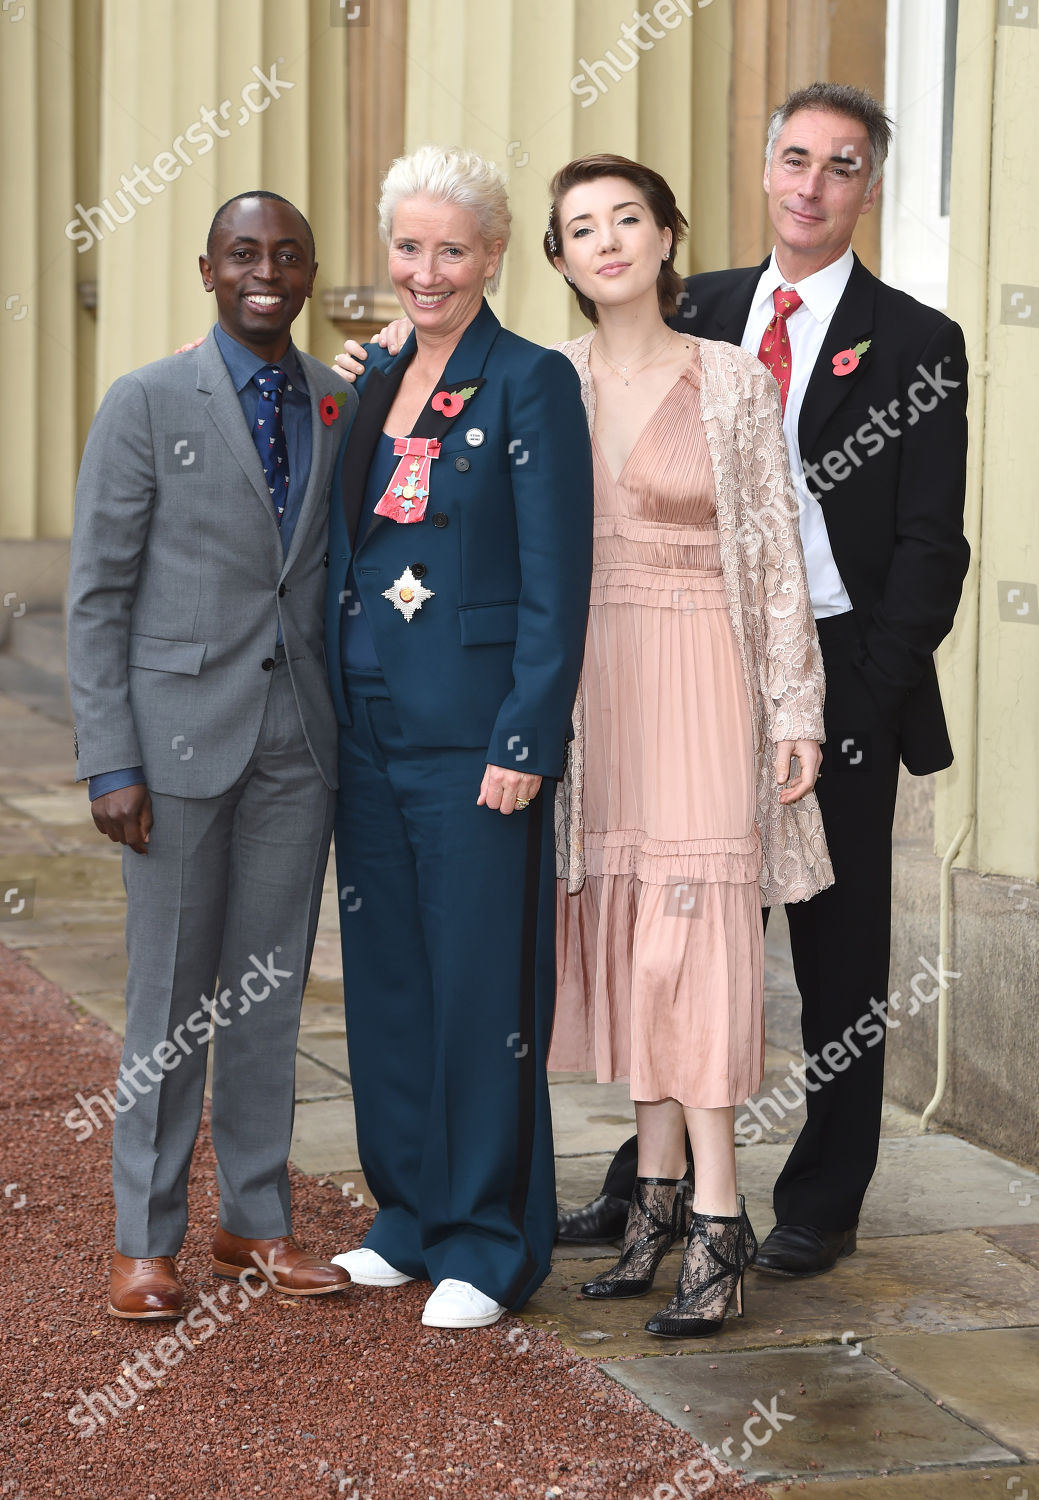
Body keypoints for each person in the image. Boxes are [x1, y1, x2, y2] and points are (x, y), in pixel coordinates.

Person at [559, 83, 971, 1279]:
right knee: (669, 930)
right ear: (763, 169)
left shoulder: (914, 343)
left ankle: (820, 1199)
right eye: (793, 158)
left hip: (838, 669)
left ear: (866, 188)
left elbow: (931, 547)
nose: (810, 184)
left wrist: (867, 697)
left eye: (840, 166)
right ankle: (656, 1187)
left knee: (835, 954)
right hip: (682, 658)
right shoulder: (705, 308)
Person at [542, 154, 828, 1338]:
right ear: (557, 259)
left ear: (667, 237)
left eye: (627, 219)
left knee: (691, 941)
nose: (607, 240)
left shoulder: (729, 382)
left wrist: (795, 710)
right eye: (580, 228)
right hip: (590, 685)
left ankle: (720, 1218)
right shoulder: (540, 381)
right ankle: (653, 1198)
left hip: (705, 671)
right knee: (628, 934)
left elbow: (771, 554)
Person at [67, 191, 355, 1319]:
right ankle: (146, 1241)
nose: (265, 272)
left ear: (312, 270)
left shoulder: (337, 400)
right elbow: (95, 594)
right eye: (244, 254)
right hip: (174, 749)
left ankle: (256, 1223)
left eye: (287, 253)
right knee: (170, 1000)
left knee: (269, 994)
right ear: (208, 271)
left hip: (298, 748)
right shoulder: (143, 401)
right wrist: (108, 759)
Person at [323, 146, 593, 1329]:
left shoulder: (529, 382)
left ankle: (488, 1240)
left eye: (450, 249)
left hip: (476, 737)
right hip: (365, 724)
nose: (424, 271)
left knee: (483, 989)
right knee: (388, 982)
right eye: (407, 247)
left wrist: (527, 737)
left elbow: (557, 577)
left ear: (491, 257)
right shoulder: (372, 374)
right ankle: (407, 1212)